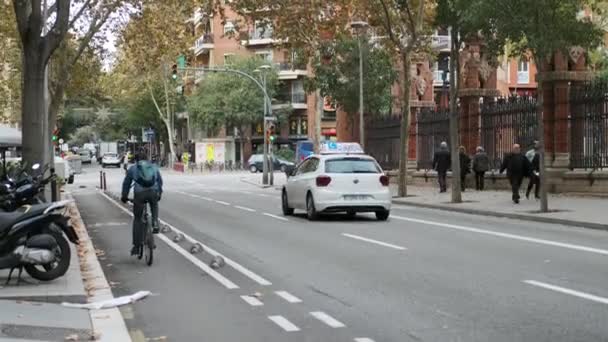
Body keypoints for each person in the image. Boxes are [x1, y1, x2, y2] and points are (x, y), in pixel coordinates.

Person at [121, 151, 163, 256]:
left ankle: (136, 246)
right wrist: (159, 193)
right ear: (147, 158)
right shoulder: (153, 167)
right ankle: (155, 223)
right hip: (153, 192)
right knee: (154, 204)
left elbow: (126, 183)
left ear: (136, 160)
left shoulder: (133, 168)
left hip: (139, 194)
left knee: (137, 219)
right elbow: (160, 181)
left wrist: (124, 196)